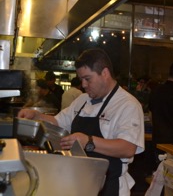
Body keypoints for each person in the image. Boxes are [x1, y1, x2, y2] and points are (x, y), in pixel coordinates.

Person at [18, 48, 145, 196]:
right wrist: (36, 116)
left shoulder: (127, 104)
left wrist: (88, 141)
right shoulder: (82, 100)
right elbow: (58, 121)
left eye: (88, 79)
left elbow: (128, 148)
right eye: (81, 79)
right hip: (79, 183)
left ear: (104, 73)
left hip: (109, 187)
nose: (83, 85)